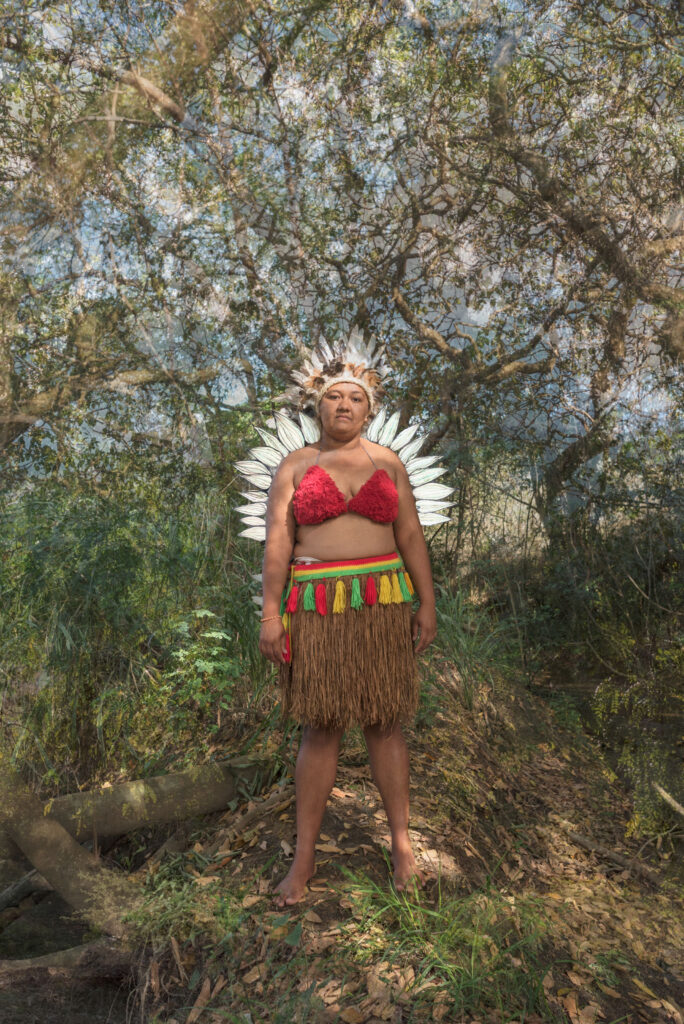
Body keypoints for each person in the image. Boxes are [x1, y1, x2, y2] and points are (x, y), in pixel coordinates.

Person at [256, 345, 437, 908]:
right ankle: (304, 858)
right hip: (317, 607)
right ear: (316, 406)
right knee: (322, 726)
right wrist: (270, 614)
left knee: (385, 721)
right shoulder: (294, 466)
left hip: (383, 604)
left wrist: (427, 603)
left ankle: (402, 846)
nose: (343, 405)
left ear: (369, 409)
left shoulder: (388, 462)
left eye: (355, 398)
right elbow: (278, 545)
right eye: (333, 396)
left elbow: (410, 535)